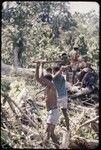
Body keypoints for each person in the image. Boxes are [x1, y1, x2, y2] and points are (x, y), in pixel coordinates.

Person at [35, 61, 60, 148]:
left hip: (54, 111)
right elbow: (38, 79)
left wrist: (42, 65)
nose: (42, 82)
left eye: (44, 81)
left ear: (48, 81)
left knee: (47, 131)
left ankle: (44, 146)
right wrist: (37, 66)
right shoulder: (47, 86)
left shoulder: (52, 86)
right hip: (52, 111)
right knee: (52, 133)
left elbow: (41, 77)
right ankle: (58, 147)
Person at [52, 65, 69, 132]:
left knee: (55, 113)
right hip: (64, 96)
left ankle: (52, 129)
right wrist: (62, 70)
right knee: (64, 112)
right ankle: (68, 128)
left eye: (53, 71)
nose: (52, 72)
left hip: (59, 97)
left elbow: (54, 77)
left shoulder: (56, 77)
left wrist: (63, 70)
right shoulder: (61, 76)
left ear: (54, 71)